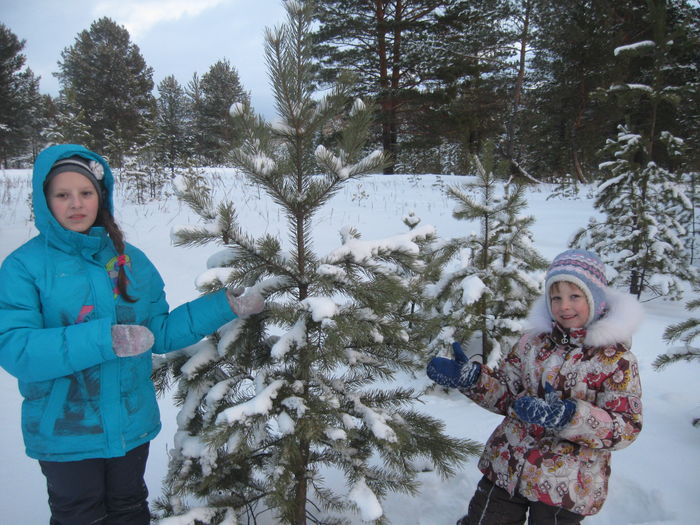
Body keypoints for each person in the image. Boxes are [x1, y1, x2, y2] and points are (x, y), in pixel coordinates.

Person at [0, 144, 265, 525]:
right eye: (63, 194)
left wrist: (225, 307)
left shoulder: (129, 260)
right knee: (80, 515)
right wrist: (103, 340)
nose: (76, 203)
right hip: (66, 431)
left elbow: (157, 331)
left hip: (130, 423)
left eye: (86, 192)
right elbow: (16, 348)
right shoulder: (25, 267)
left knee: (128, 509)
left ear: (101, 196)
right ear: (44, 200)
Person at [427, 249, 644, 525]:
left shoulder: (616, 361)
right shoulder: (532, 344)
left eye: (575, 296)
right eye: (556, 297)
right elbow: (507, 395)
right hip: (508, 465)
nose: (564, 306)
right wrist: (473, 380)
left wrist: (568, 417)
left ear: (596, 298)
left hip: (567, 483)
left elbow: (625, 427)